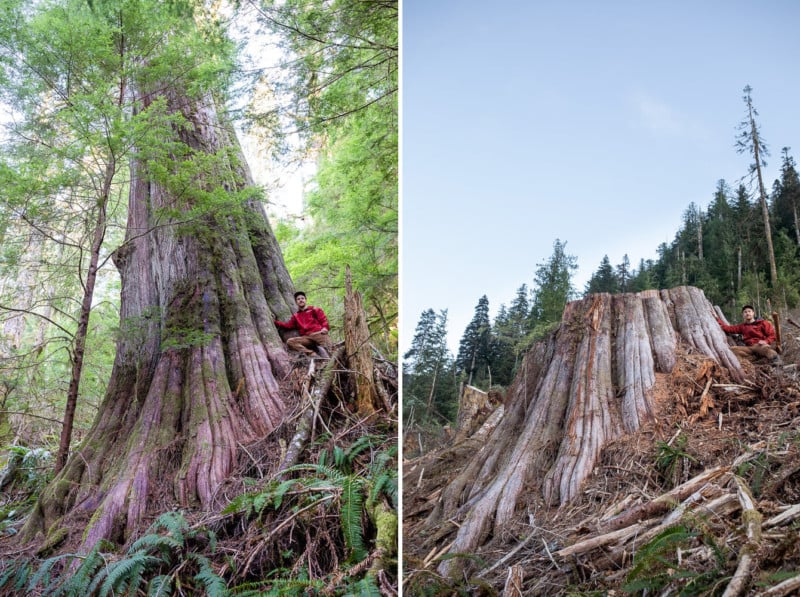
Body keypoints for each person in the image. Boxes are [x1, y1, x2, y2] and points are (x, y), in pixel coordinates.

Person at [717, 305, 781, 365]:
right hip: (749, 347)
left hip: (759, 345)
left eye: (749, 311)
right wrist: (717, 319)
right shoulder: (742, 326)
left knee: (765, 349)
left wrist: (766, 341)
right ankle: (754, 360)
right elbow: (729, 328)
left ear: (753, 313)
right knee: (732, 350)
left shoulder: (762, 323)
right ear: (743, 315)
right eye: (745, 312)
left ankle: (776, 360)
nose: (747, 313)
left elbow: (772, 335)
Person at [274, 291, 331, 357]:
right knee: (290, 342)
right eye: (298, 299)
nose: (301, 300)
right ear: (296, 302)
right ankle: (311, 354)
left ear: (305, 300)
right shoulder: (296, 316)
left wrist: (325, 327)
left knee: (329, 350)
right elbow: (288, 326)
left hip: (318, 334)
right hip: (306, 337)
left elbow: (323, 319)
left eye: (302, 298)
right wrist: (275, 322)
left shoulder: (314, 309)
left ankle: (332, 360)